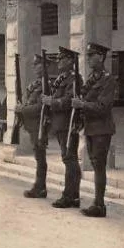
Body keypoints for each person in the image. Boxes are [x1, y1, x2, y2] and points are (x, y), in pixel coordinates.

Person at [71, 42, 117, 217]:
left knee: (99, 166)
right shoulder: (92, 78)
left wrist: (82, 104)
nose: (89, 59)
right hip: (91, 128)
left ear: (101, 57)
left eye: (92, 55)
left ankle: (99, 204)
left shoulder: (108, 79)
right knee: (95, 164)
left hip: (102, 129)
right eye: (88, 56)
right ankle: (97, 202)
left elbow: (103, 106)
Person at [41, 47, 83, 208]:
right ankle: (73, 195)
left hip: (68, 123)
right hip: (60, 124)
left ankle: (70, 195)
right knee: (68, 158)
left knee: (69, 158)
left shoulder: (74, 79)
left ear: (71, 61)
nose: (59, 61)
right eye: (58, 59)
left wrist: (52, 102)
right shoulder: (62, 78)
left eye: (62, 59)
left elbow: (68, 100)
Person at [17, 54, 49, 198]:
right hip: (32, 125)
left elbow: (40, 107)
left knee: (40, 156)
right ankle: (39, 185)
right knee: (38, 156)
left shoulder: (45, 85)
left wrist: (22, 110)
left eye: (38, 65)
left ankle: (40, 186)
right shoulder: (36, 83)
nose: (35, 67)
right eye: (34, 65)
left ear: (45, 66)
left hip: (40, 124)